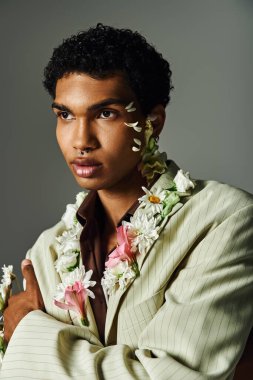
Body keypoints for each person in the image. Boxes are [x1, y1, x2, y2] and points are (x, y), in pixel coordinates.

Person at [1, 23, 253, 379]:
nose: (81, 140)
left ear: (153, 122)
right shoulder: (50, 250)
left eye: (106, 113)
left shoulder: (224, 219)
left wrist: (28, 333)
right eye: (65, 115)